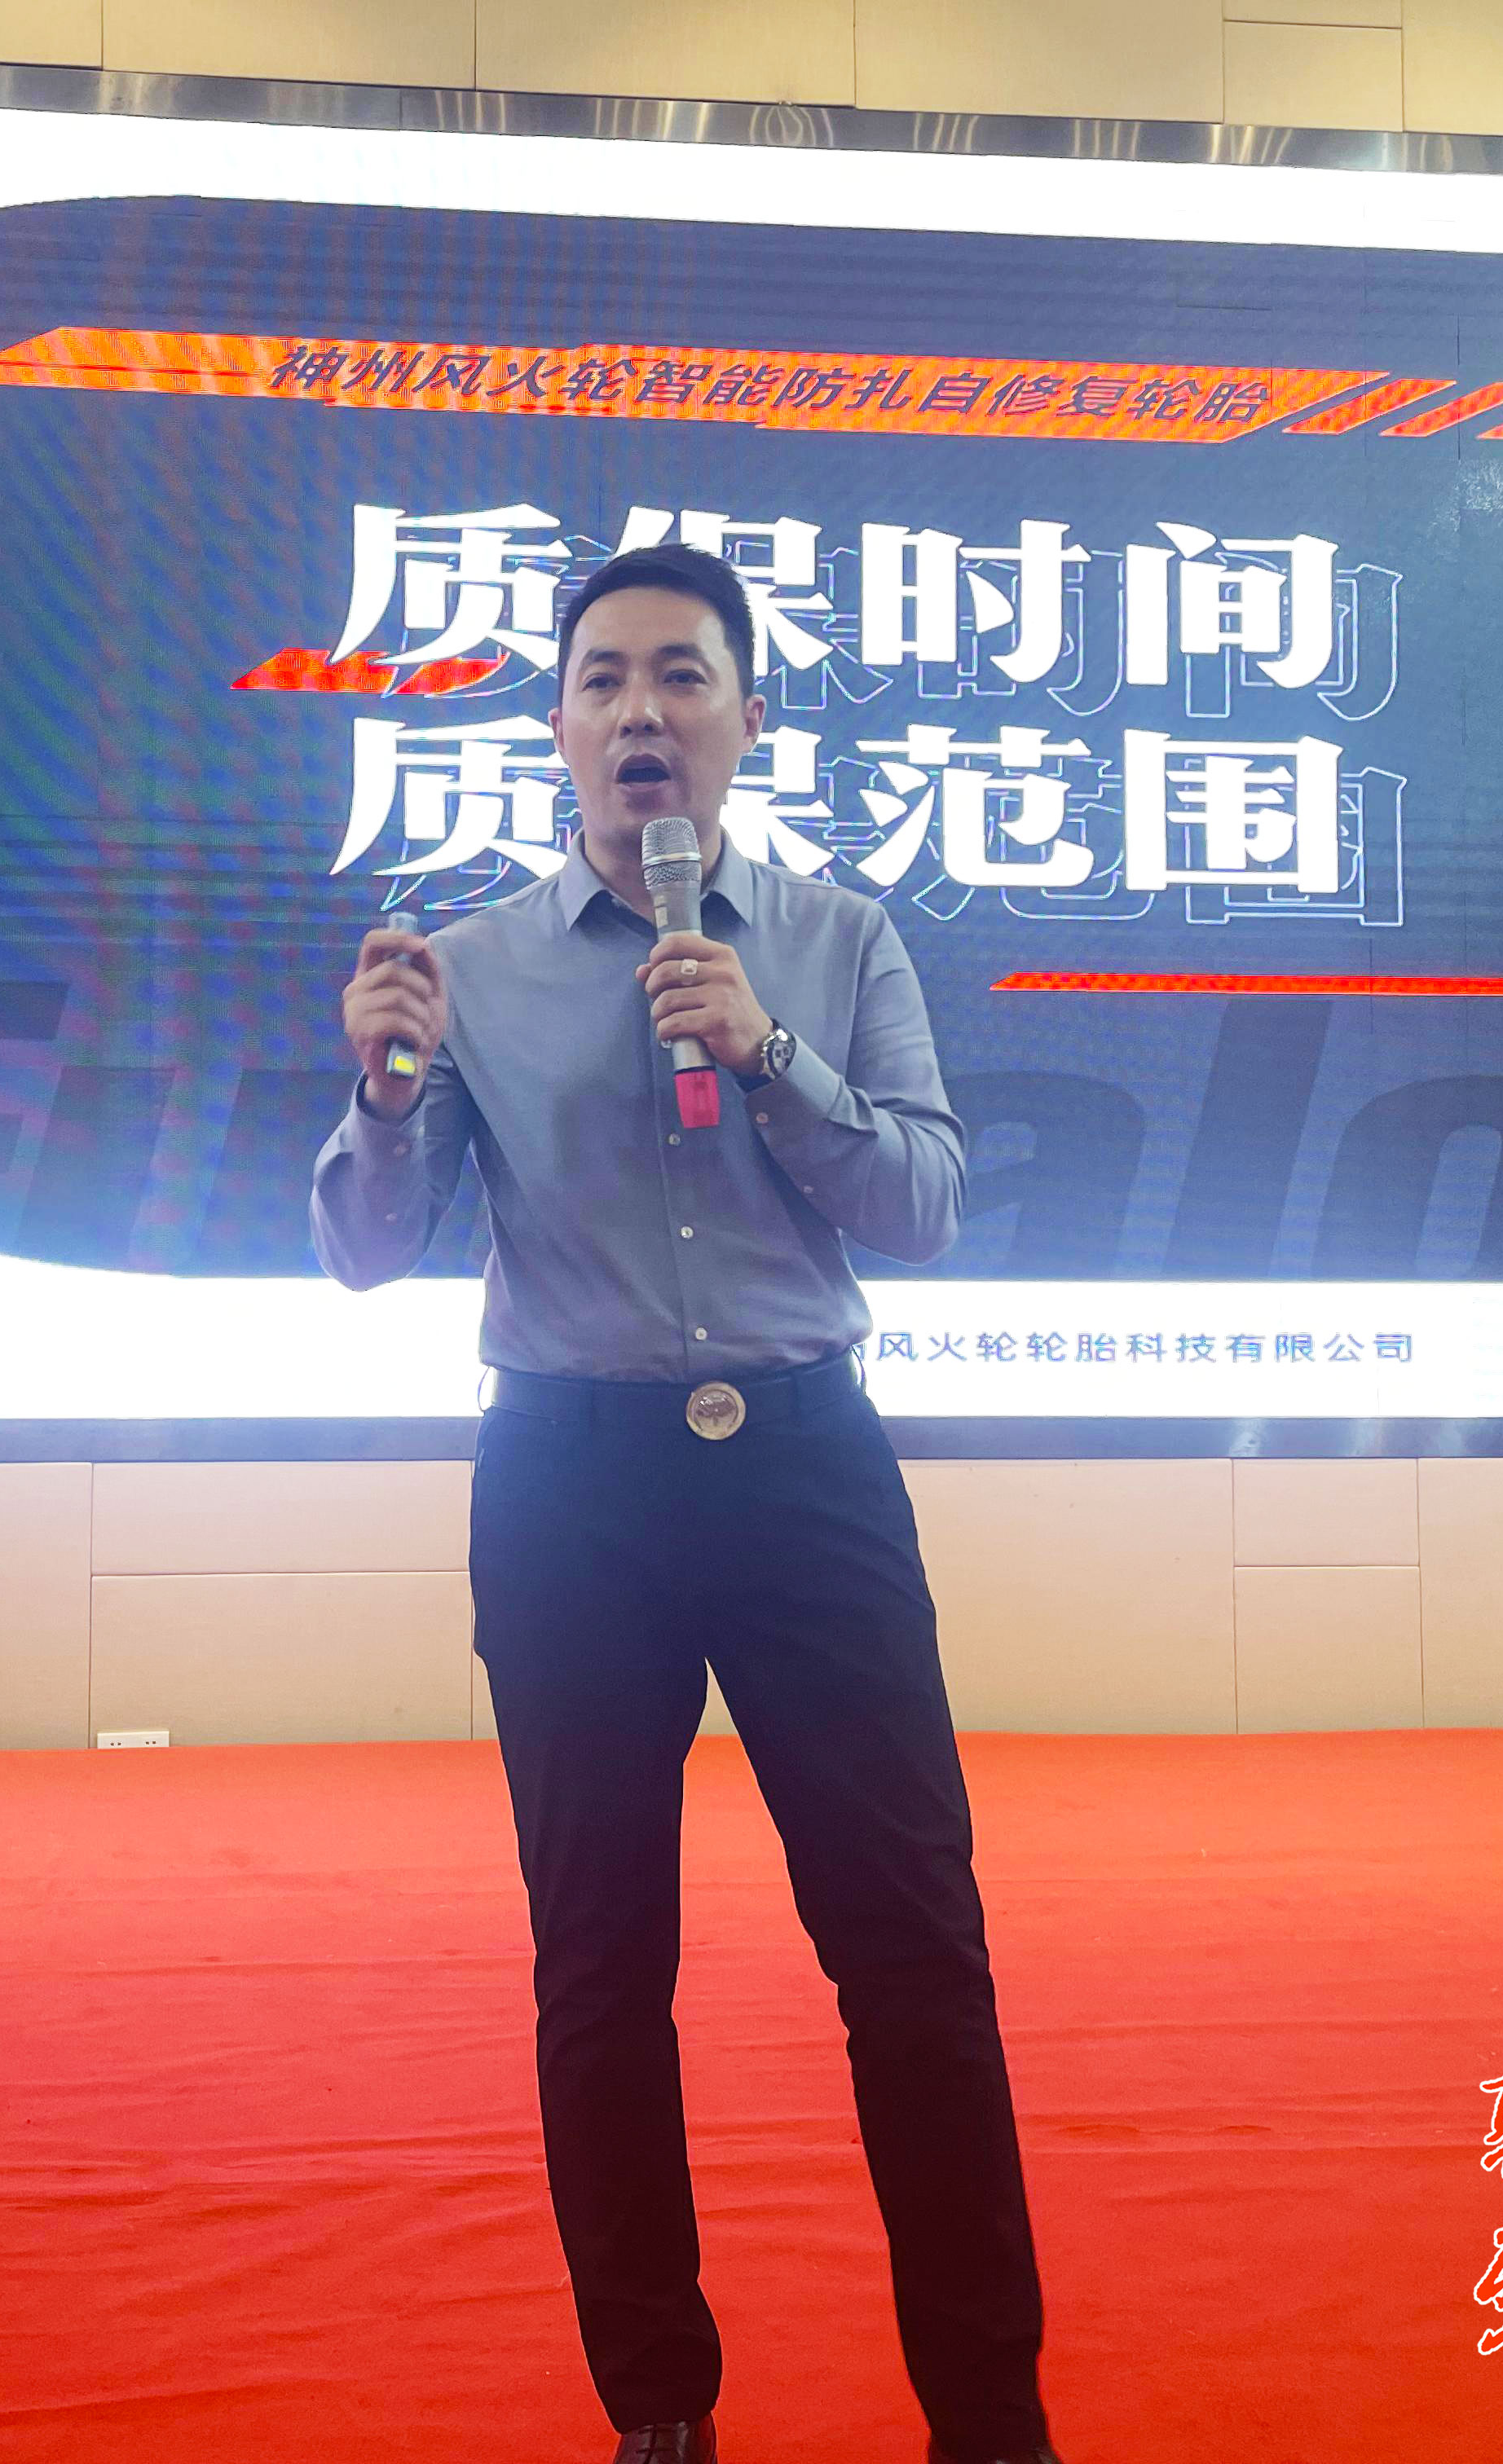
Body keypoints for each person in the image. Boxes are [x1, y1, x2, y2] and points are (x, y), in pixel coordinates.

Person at [309, 543, 1062, 2464]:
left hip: (807, 1472)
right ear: (560, 727)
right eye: (604, 680)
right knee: (600, 1963)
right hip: (573, 1487)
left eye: (681, 675)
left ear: (747, 718)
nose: (641, 710)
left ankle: (989, 2415)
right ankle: (659, 2412)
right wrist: (384, 1096)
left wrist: (767, 1053)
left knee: (913, 1946)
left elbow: (925, 1206)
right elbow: (367, 1256)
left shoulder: (838, 941)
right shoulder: (467, 970)